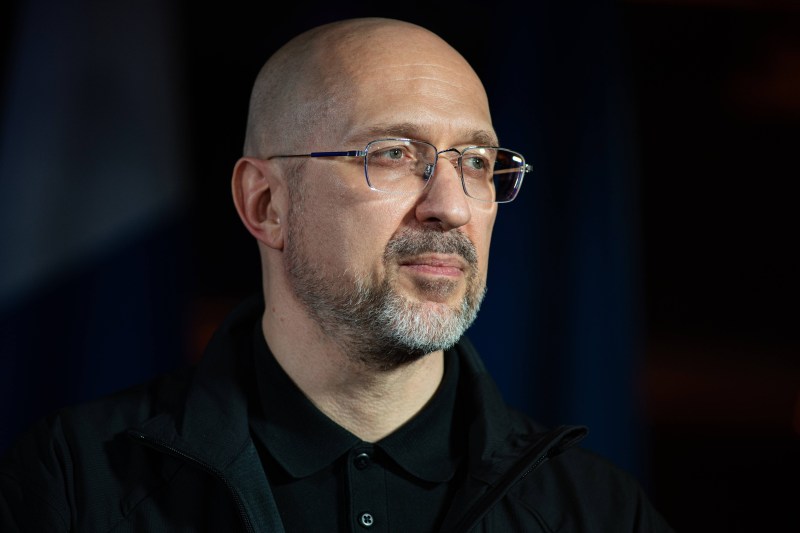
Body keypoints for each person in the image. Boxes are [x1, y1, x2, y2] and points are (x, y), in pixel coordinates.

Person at [0, 17, 674, 532]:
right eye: (394, 153)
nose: (450, 206)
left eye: (475, 161)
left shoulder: (599, 511)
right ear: (266, 204)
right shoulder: (74, 484)